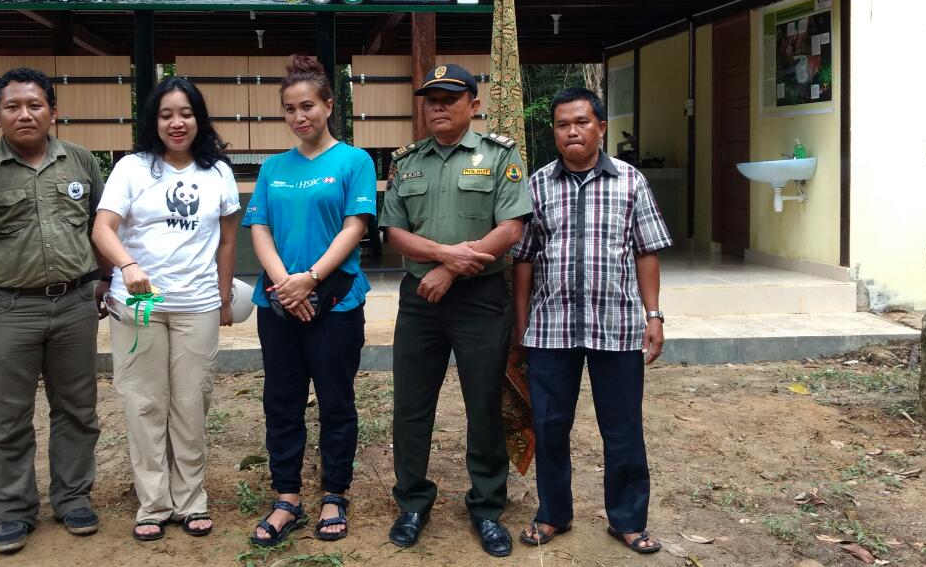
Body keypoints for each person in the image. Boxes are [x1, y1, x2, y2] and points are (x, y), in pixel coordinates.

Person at [0, 67, 108, 555]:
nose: (24, 114)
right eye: (12, 106)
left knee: (77, 409)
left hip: (74, 305)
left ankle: (73, 498)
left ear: (53, 111)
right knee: (8, 416)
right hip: (7, 308)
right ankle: (13, 510)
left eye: (35, 105)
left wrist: (105, 280)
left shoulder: (81, 161)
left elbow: (101, 226)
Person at [510, 87, 671, 554]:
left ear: (601, 127)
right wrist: (521, 324)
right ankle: (553, 513)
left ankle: (628, 520)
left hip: (615, 327)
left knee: (623, 429)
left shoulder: (630, 181)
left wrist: (654, 315)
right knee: (550, 426)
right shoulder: (537, 185)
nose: (572, 132)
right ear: (554, 132)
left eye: (582, 122)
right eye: (563, 124)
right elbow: (523, 258)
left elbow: (646, 251)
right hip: (551, 328)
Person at [379, 63, 531, 558]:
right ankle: (412, 502)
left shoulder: (499, 155)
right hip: (420, 301)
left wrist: (449, 270)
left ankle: (486, 507)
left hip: (480, 299)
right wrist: (444, 257)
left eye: (449, 97)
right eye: (431, 99)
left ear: (474, 104)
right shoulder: (407, 162)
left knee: (483, 403)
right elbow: (394, 231)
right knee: (411, 405)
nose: (438, 106)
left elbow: (511, 228)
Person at [90, 77, 241, 542]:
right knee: (144, 402)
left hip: (197, 303)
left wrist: (223, 298)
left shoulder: (218, 172)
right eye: (166, 114)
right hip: (141, 302)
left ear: (199, 119)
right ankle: (153, 503)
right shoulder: (132, 168)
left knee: (192, 402)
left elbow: (228, 240)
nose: (177, 123)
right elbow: (103, 228)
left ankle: (191, 499)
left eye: (186, 113)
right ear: (153, 121)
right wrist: (128, 265)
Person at [242, 54, 377, 546]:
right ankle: (287, 498)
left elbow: (354, 227)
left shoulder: (354, 162)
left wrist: (312, 279)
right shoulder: (274, 167)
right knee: (282, 401)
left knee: (336, 402)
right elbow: (259, 227)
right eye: (289, 109)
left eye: (307, 106)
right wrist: (286, 284)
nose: (299, 116)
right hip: (278, 304)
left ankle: (334, 494)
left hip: (336, 303)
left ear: (328, 105)